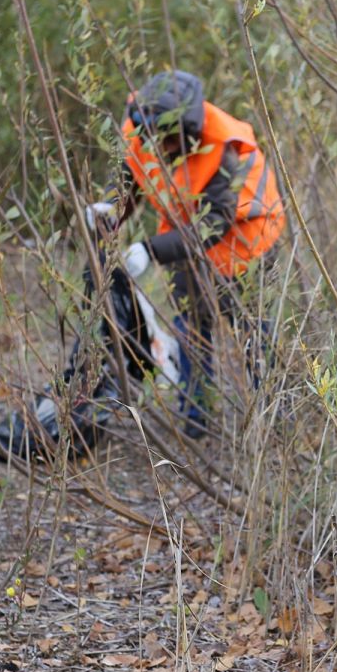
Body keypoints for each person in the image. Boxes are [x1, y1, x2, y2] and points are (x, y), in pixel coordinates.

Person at [80, 70, 284, 436]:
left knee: (251, 330)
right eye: (155, 137)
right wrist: (109, 207)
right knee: (191, 326)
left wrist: (149, 249)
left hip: (246, 241)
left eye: (170, 139)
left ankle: (277, 420)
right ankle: (195, 419)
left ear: (188, 131)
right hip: (183, 238)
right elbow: (131, 174)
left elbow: (213, 223)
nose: (161, 145)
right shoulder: (144, 122)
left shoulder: (221, 148)